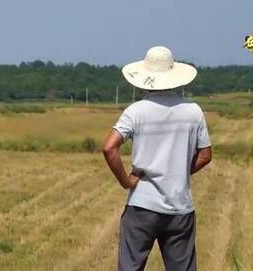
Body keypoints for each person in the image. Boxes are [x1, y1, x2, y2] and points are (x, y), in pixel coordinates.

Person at [102, 46, 212, 271]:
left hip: (142, 204)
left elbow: (109, 148)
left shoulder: (136, 111)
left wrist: (126, 181)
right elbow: (206, 155)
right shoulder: (193, 111)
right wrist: (179, 172)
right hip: (180, 207)